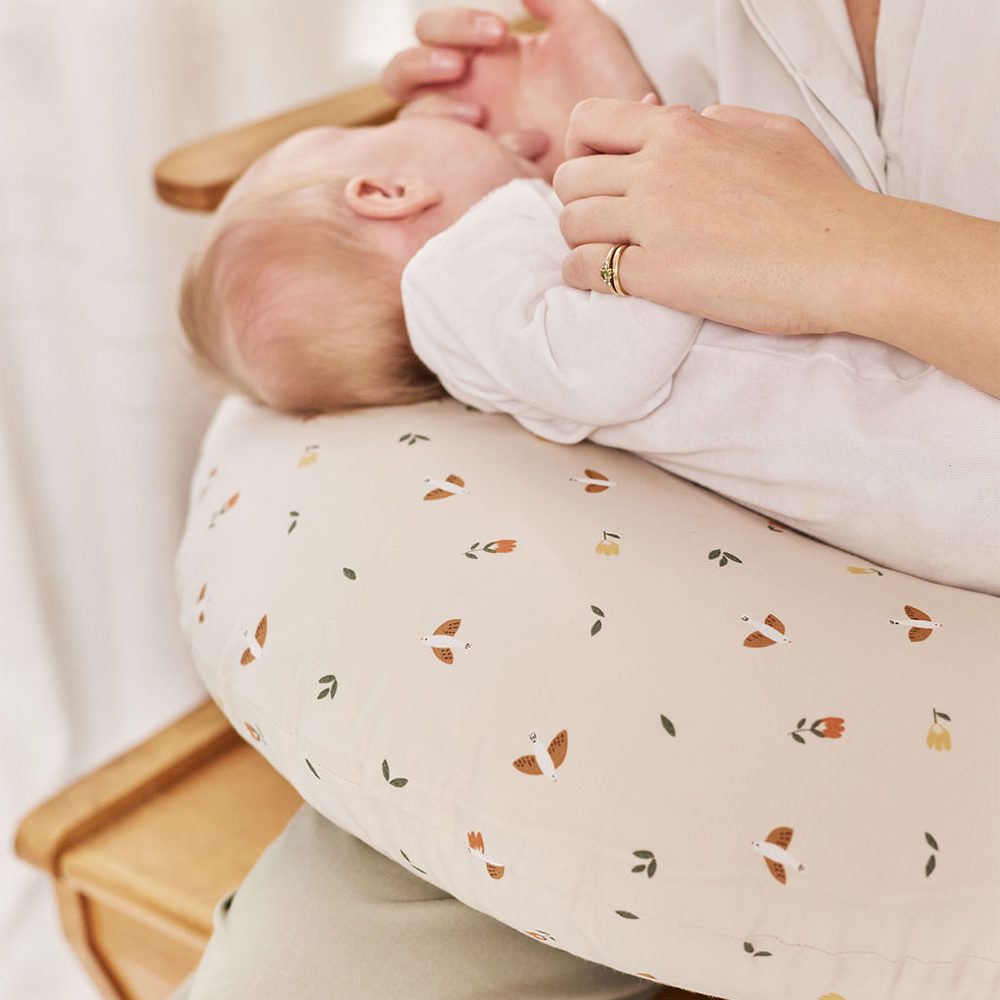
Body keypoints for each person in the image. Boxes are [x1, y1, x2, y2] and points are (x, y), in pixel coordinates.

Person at [174, 2, 999, 997]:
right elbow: (603, 351)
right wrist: (603, 126)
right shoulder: (464, 275)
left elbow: (634, 315)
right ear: (385, 191)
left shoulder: (479, 264)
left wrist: (822, 245)